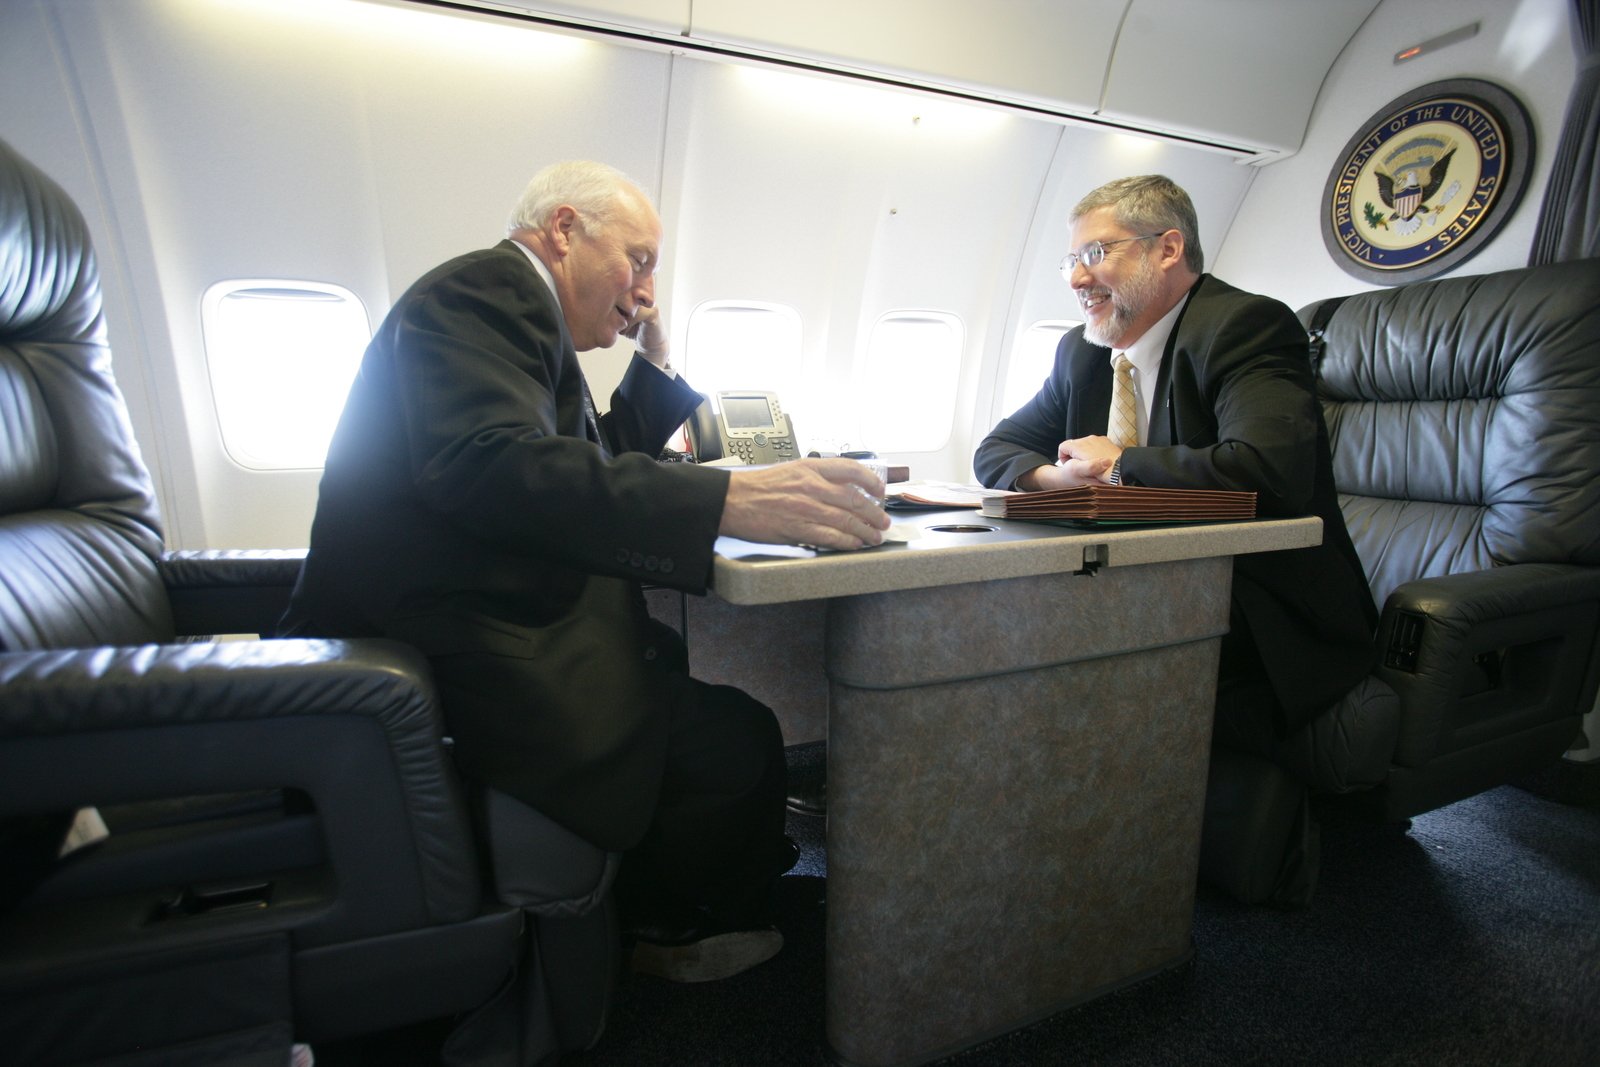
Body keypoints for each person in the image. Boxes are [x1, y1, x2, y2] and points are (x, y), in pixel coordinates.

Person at [280, 160, 889, 981]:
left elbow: (584, 457)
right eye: (637, 260)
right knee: (732, 735)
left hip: (474, 620)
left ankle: (708, 894)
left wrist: (661, 363)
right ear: (563, 230)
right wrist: (724, 500)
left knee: (706, 707)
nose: (644, 289)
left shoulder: (515, 315)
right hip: (456, 647)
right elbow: (494, 468)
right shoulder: (481, 293)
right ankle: (678, 927)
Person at [973, 175, 1379, 865]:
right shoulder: (1084, 352)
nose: (1077, 276)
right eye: (1069, 260)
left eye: (1096, 252)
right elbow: (996, 451)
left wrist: (1123, 461)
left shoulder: (1245, 326)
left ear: (1167, 248)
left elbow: (1268, 467)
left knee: (1049, 632)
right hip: (1146, 577)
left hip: (1265, 597)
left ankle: (1092, 845)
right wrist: (1055, 475)